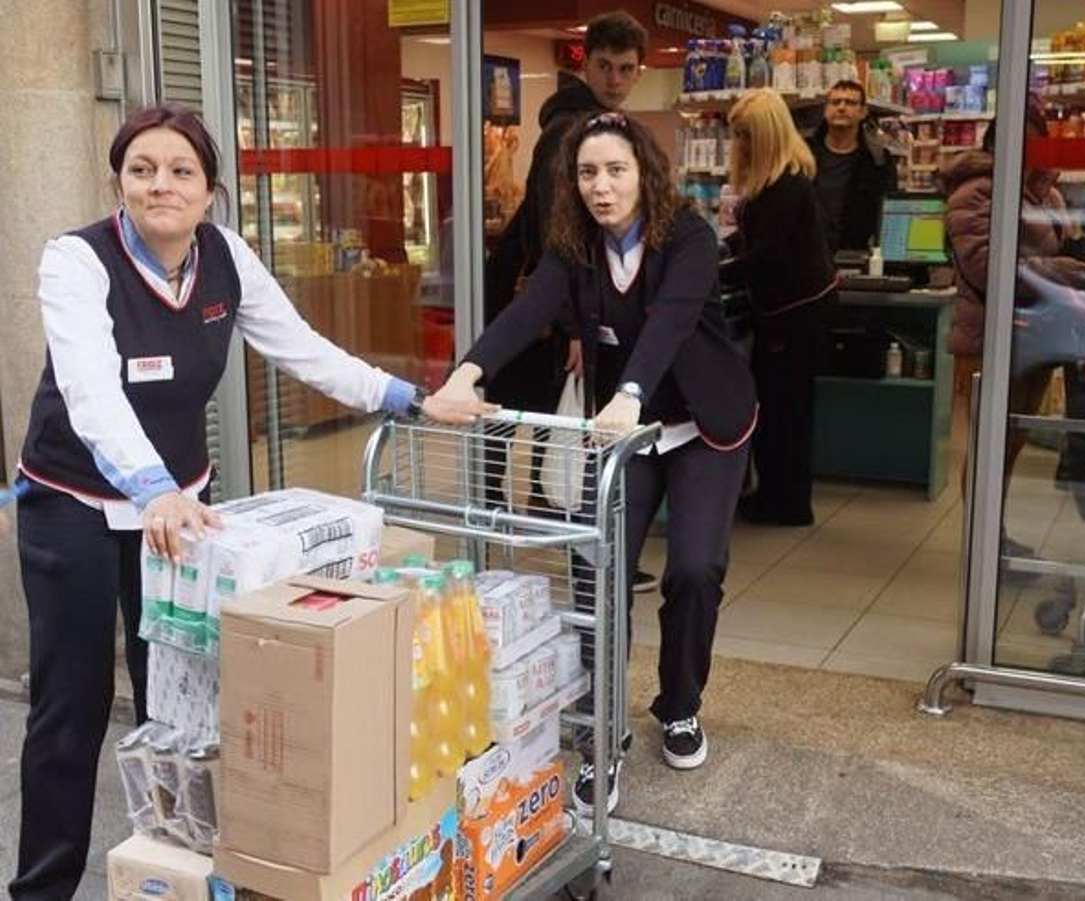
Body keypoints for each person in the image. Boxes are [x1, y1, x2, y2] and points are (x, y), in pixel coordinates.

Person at [6, 104, 489, 900]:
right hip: (77, 502)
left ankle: (172, 870)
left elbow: (301, 348)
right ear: (118, 181)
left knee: (183, 698)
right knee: (72, 704)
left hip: (182, 508)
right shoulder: (77, 261)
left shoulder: (226, 258)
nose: (161, 185)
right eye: (142, 169)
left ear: (210, 191)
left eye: (181, 171)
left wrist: (409, 397)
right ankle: (43, 888)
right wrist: (148, 484)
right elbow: (90, 389)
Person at [431, 112, 756, 815]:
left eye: (615, 170)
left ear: (645, 172)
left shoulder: (690, 235)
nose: (602, 187)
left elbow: (669, 318)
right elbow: (529, 311)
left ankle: (679, 702)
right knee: (594, 570)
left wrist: (631, 391)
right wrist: (468, 374)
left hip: (702, 421)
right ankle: (601, 736)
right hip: (624, 431)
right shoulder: (573, 245)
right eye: (587, 174)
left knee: (695, 569)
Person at [479, 10, 659, 592]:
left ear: (638, 72)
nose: (614, 77)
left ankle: (525, 526)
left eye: (625, 69)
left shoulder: (593, 122)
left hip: (546, 296)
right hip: (542, 296)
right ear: (588, 62)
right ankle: (519, 531)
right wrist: (578, 322)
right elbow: (555, 228)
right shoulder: (572, 129)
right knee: (520, 412)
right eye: (604, 65)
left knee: (531, 411)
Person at [943, 101, 1085, 555]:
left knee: (1011, 446)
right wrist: (1067, 270)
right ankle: (981, 547)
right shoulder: (978, 191)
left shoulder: (1040, 192)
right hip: (992, 338)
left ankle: (996, 538)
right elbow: (988, 268)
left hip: (1034, 336)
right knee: (992, 446)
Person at [723, 89, 838, 527]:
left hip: (795, 319)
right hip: (793, 314)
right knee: (782, 409)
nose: (740, 144)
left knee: (785, 412)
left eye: (746, 135)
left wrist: (718, 272)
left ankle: (786, 503)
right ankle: (779, 495)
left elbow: (766, 253)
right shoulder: (780, 183)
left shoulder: (786, 186)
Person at [805, 79, 898, 254]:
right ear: (825, 110)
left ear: (863, 112)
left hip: (856, 257)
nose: (841, 107)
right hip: (808, 255)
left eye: (850, 103)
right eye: (835, 102)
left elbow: (888, 214)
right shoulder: (802, 154)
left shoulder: (878, 161)